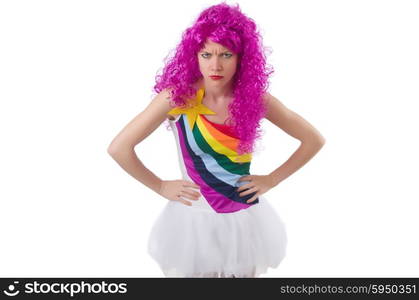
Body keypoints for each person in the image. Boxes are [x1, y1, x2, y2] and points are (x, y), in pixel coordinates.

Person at [107, 2, 326, 278]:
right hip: (195, 220)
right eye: (206, 54)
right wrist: (160, 185)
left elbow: (313, 139)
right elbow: (119, 148)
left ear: (241, 58)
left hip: (245, 220)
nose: (216, 65)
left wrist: (273, 178)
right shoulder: (177, 99)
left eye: (226, 54)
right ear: (194, 55)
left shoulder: (255, 100)